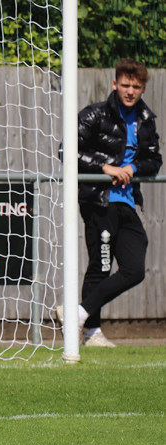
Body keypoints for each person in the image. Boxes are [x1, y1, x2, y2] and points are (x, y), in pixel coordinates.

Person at [68, 58, 161, 347]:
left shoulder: (146, 120)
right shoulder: (94, 114)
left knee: (134, 269)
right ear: (114, 84)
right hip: (99, 200)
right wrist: (105, 167)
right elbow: (67, 150)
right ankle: (91, 331)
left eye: (135, 86)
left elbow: (154, 160)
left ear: (143, 88)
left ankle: (78, 314)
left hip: (128, 202)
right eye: (125, 85)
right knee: (101, 265)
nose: (130, 91)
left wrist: (134, 169)